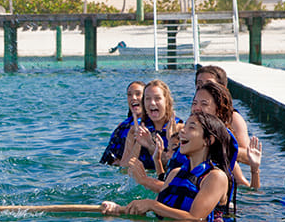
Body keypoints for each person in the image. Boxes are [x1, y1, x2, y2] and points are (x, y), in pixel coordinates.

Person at [102, 112, 233, 221]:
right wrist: (117, 209)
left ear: (208, 140)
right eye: (184, 126)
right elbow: (155, 211)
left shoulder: (216, 177)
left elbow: (194, 218)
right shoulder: (175, 174)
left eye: (191, 127)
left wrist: (151, 204)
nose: (182, 131)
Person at [196, 65, 254, 170]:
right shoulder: (196, 115)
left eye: (209, 84)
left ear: (222, 89)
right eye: (199, 84)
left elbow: (249, 157)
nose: (203, 88)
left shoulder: (233, 118)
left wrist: (218, 145)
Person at [120, 80, 182, 170]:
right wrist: (138, 143)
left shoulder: (179, 129)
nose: (152, 103)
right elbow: (124, 168)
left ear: (167, 101)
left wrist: (151, 146)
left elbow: (178, 167)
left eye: (157, 98)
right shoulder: (135, 129)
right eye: (148, 99)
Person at [100, 81, 146, 165]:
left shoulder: (151, 126)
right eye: (129, 95)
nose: (133, 98)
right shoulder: (122, 126)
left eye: (138, 94)